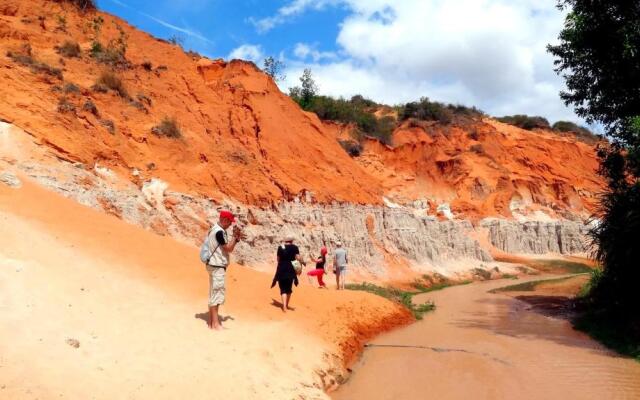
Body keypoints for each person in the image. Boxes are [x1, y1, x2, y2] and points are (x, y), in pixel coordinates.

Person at [204, 210, 242, 330]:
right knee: (217, 294)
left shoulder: (213, 229)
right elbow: (228, 248)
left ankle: (211, 323)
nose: (231, 225)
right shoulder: (219, 232)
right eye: (230, 222)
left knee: (213, 292)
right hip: (217, 266)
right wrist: (235, 238)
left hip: (212, 265)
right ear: (225, 220)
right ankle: (216, 324)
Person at [271, 236, 304, 312]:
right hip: (291, 270)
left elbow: (278, 259)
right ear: (291, 241)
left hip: (281, 269)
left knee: (283, 289)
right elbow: (298, 258)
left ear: (285, 241)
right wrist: (301, 264)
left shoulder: (280, 247)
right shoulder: (295, 247)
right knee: (289, 289)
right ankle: (286, 305)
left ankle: (284, 307)